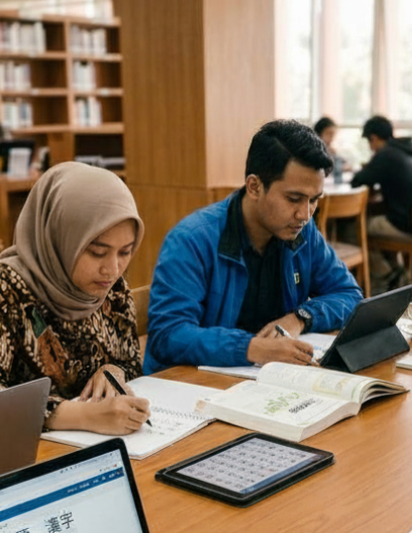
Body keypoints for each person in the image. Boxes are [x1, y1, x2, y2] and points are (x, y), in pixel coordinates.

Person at [144, 119, 363, 374]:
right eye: (294, 199)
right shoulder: (191, 239)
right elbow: (168, 335)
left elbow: (350, 295)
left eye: (314, 200)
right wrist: (252, 348)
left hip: (266, 382)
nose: (305, 214)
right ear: (254, 187)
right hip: (193, 387)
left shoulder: (302, 232)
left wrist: (300, 317)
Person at [0, 162, 151, 435]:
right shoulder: (1, 288)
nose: (113, 269)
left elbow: (129, 363)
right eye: (96, 252)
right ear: (60, 236)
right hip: (27, 453)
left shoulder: (110, 287)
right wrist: (80, 415)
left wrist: (113, 371)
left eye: (125, 252)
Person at [351, 115, 412, 284]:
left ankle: (386, 274)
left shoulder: (386, 154)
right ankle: (393, 271)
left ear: (373, 138)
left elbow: (358, 181)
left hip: (410, 226)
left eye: (370, 142)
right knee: (377, 222)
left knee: (357, 228)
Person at [313, 116, 349, 183]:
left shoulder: (331, 151)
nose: (331, 138)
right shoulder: (313, 151)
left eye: (333, 135)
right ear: (318, 134)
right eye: (328, 134)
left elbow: (344, 163)